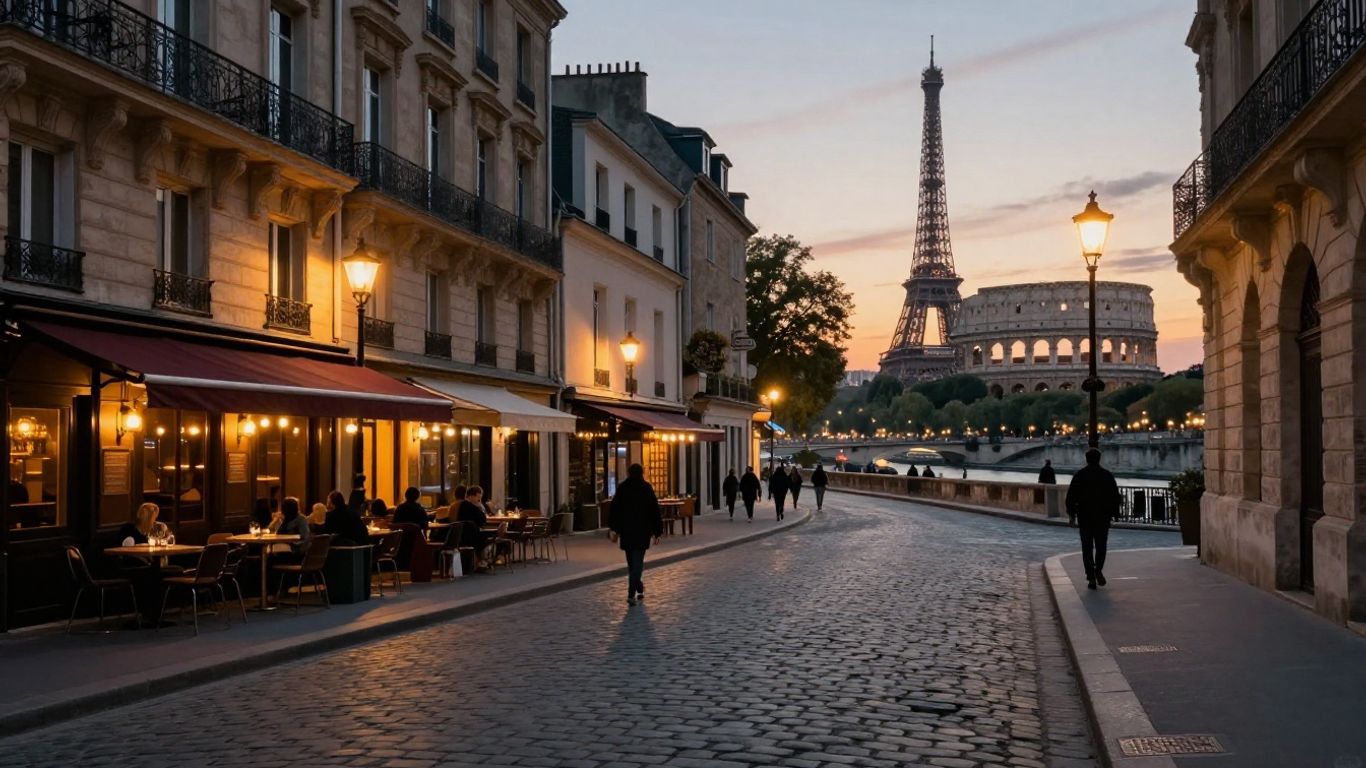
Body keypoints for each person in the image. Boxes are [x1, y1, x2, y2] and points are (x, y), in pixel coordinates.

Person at [607, 463, 663, 606]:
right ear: (642, 473)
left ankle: (633, 591)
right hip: (642, 531)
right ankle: (636, 588)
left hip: (627, 531)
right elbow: (654, 511)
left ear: (628, 473)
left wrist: (614, 528)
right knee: (637, 562)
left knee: (631, 563)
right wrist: (657, 531)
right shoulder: (646, 488)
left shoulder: (623, 488)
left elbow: (615, 509)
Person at [1066, 448, 1121, 590]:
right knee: (1101, 546)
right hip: (1102, 517)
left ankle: (1090, 577)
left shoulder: (1079, 475)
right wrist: (1115, 514)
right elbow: (1115, 496)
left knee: (1087, 548)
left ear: (1086, 459)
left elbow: (1071, 497)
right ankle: (1098, 570)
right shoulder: (1107, 476)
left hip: (1085, 517)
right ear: (1099, 459)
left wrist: (1072, 515)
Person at [457, 485, 492, 560]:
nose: (479, 500)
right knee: (485, 536)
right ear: (471, 496)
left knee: (486, 536)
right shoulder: (469, 506)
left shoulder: (465, 505)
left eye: (480, 498)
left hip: (464, 533)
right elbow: (482, 521)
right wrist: (480, 508)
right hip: (467, 535)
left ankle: (482, 560)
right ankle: (482, 560)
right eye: (478, 497)